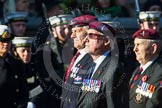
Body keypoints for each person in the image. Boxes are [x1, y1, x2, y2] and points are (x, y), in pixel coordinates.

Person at [76, 21, 129, 108]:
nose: (86, 39)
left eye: (91, 35)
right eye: (86, 35)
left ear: (107, 40)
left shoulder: (113, 70)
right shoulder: (92, 65)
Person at [61, 14, 98, 108]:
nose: (72, 35)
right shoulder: (77, 56)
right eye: (72, 31)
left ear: (89, 33)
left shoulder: (94, 59)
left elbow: (90, 97)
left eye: (77, 31)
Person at [129, 29, 162, 108]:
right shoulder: (138, 70)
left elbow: (155, 103)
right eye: (134, 45)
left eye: (139, 45)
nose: (134, 49)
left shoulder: (159, 72)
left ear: (153, 48)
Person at [12, 37, 45, 108]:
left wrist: (32, 103)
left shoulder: (35, 67)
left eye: (28, 51)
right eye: (23, 51)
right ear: (15, 52)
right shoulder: (9, 68)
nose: (26, 54)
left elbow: (40, 89)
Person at [0, 25, 28, 108]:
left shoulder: (16, 63)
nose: (6, 44)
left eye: (8, 41)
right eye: (2, 41)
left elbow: (24, 91)